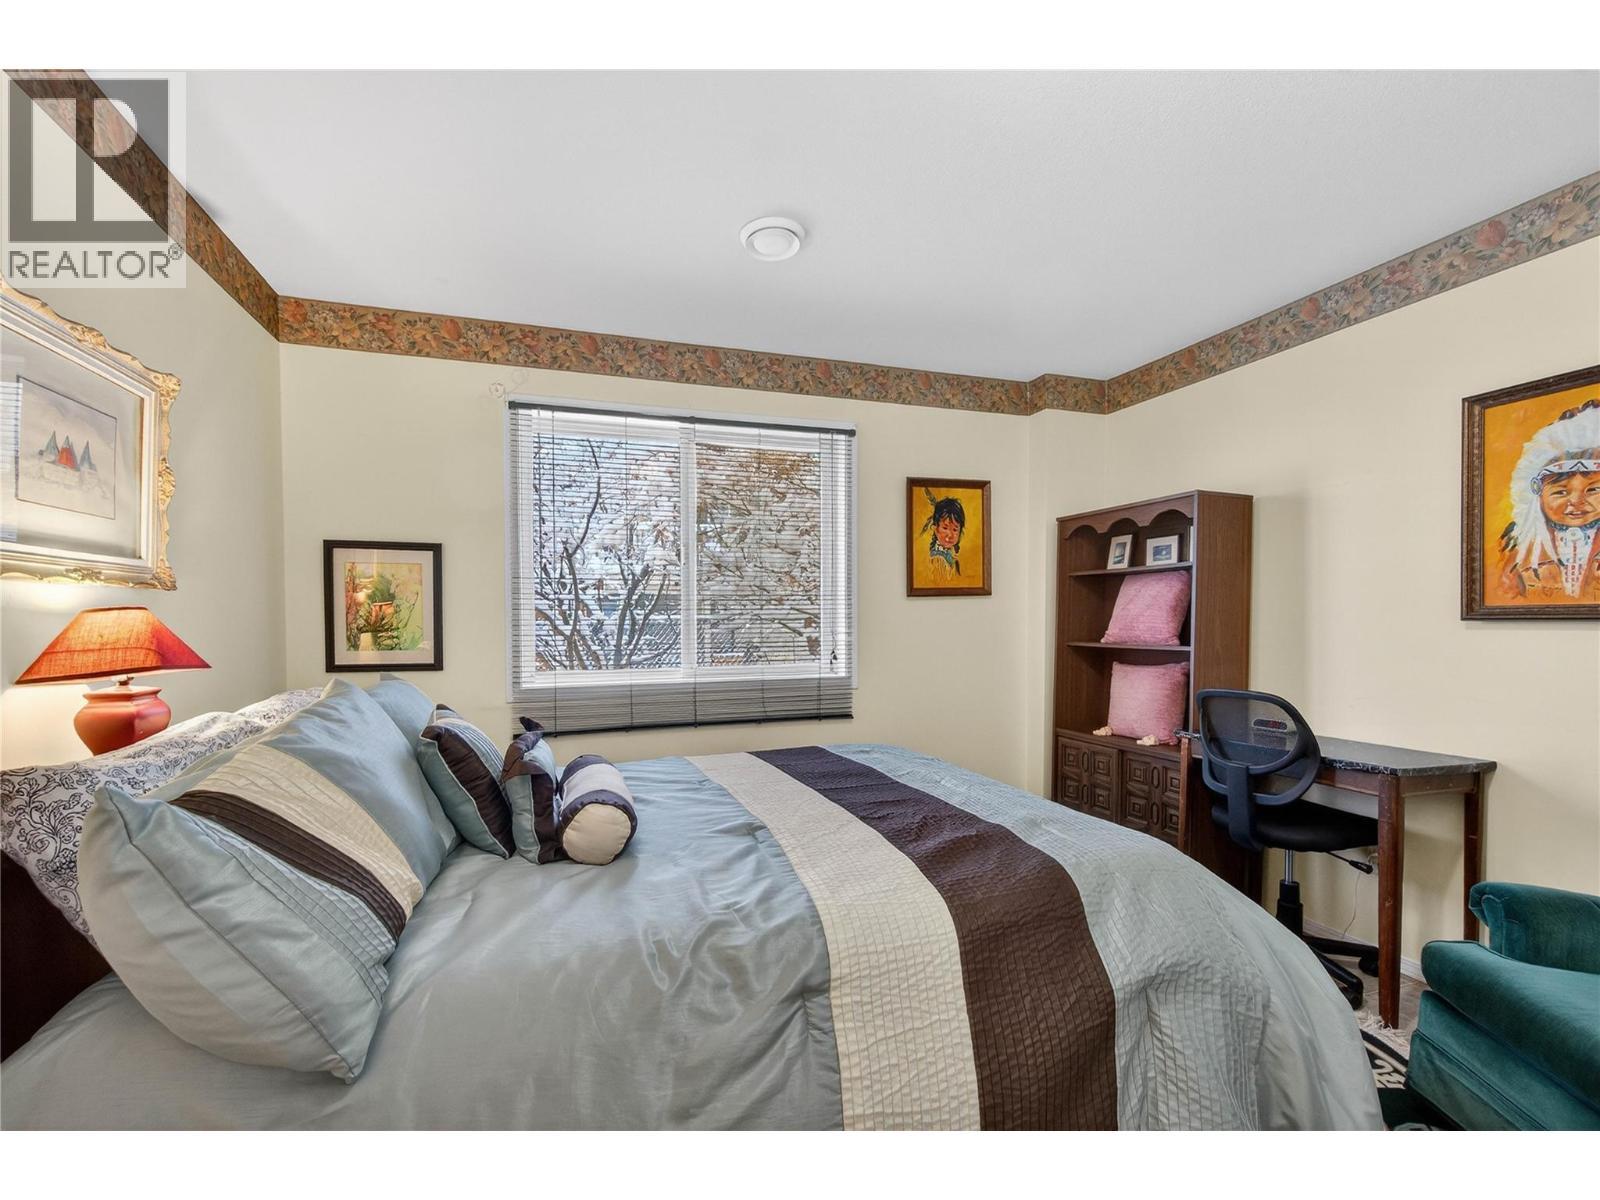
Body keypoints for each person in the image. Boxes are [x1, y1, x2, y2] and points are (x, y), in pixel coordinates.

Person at [1496, 398, 1600, 603]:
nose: (1576, 501)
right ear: (1537, 493)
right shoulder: (1520, 549)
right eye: (1560, 492)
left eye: (1594, 489)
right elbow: (1507, 597)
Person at [922, 492, 966, 580]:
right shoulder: (937, 560)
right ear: (935, 529)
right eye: (945, 528)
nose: (950, 535)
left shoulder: (951, 555)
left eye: (955, 530)